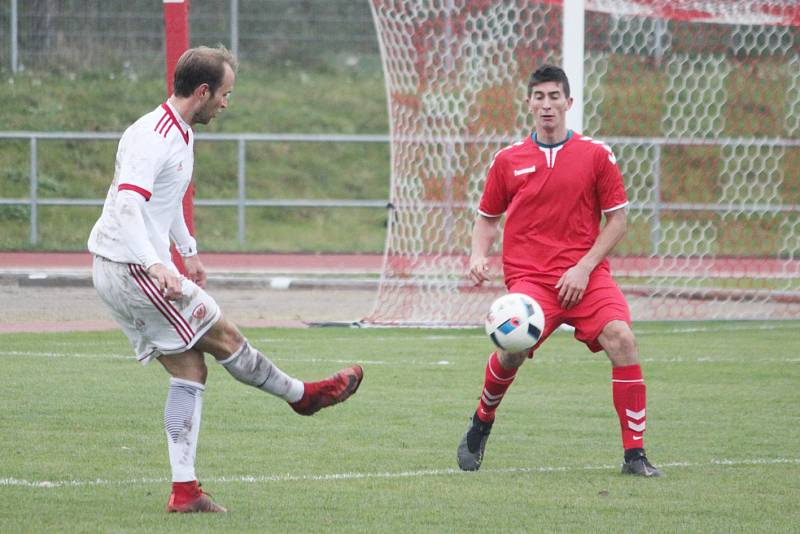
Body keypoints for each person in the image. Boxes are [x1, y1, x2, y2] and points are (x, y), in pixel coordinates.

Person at [88, 45, 364, 513]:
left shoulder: (180, 133)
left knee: (190, 371)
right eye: (225, 94)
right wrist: (157, 265)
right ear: (202, 91)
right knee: (225, 335)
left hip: (127, 266)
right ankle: (304, 397)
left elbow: (164, 200)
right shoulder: (151, 137)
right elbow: (130, 206)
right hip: (133, 268)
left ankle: (185, 491)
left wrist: (188, 253)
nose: (226, 104)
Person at [456, 65, 663, 477]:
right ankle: (482, 421)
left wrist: (584, 267)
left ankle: (635, 455)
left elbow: (618, 220)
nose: (547, 105)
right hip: (531, 281)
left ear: (569, 103)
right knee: (511, 353)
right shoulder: (508, 160)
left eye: (555, 97)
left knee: (622, 338)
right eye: (539, 97)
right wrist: (478, 255)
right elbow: (487, 217)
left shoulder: (595, 154)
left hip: (586, 276)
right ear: (529, 103)